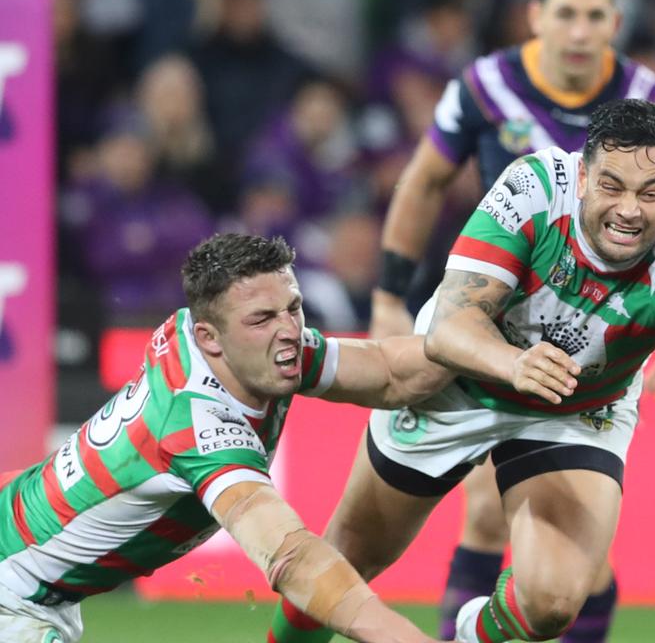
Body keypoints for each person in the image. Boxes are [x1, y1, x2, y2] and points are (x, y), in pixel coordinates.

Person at [268, 99, 655, 643]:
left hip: (576, 408)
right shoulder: (534, 189)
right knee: (346, 561)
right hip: (461, 380)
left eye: (651, 192)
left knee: (553, 604)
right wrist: (514, 363)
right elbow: (450, 327)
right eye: (612, 186)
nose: (630, 210)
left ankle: (468, 636)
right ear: (584, 175)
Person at [367, 0, 655, 641]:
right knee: (484, 509)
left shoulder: (654, 102)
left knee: (574, 570)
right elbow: (421, 182)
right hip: (488, 312)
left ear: (616, 23)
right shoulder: (484, 87)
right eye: (565, 13)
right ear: (536, 17)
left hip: (595, 339)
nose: (578, 30)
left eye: (594, 16)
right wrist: (390, 293)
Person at [0, 233, 449, 643]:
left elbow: (391, 373)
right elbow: (291, 555)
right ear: (209, 338)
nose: (289, 330)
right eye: (263, 319)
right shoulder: (198, 428)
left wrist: (493, 350)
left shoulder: (234, 343)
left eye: (293, 308)